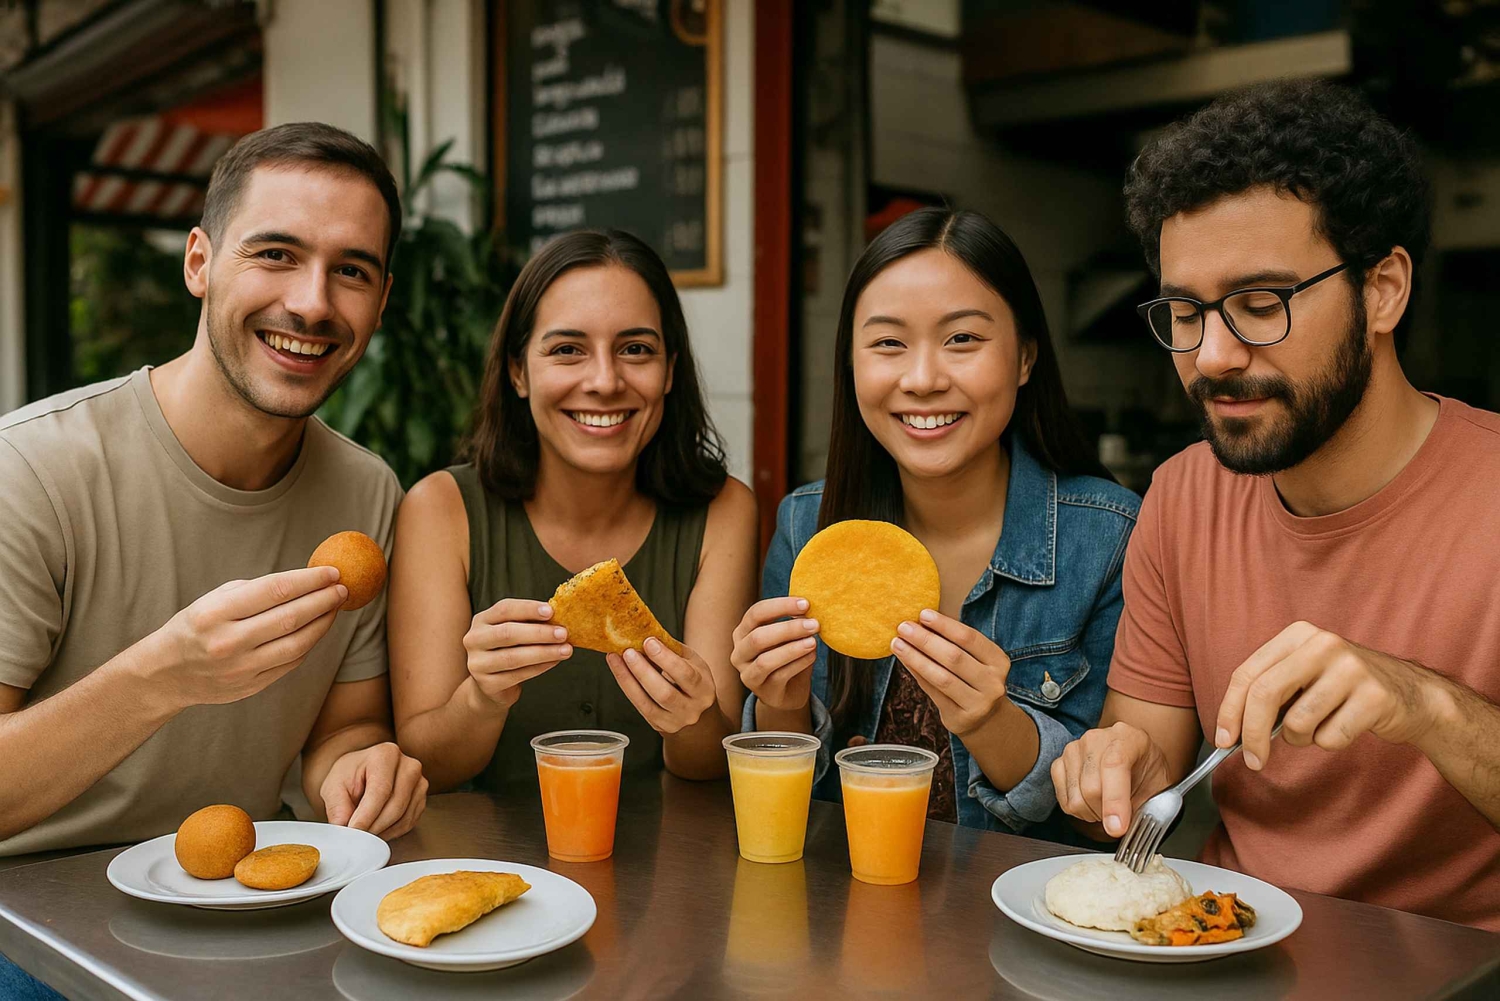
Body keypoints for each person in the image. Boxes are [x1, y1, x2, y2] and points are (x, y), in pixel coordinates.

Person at [1052, 80, 1500, 930]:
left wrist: (1425, 704)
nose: (1213, 355)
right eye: (1184, 312)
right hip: (1234, 949)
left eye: (1260, 306)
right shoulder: (1182, 497)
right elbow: (1146, 767)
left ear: (1384, 290)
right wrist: (1114, 771)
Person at [0, 123, 429, 996]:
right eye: (276, 253)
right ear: (199, 263)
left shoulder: (368, 493)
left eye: (351, 269)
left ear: (381, 302)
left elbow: (342, 726)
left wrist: (357, 765)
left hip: (250, 909)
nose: (312, 302)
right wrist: (164, 674)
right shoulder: (34, 469)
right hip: (27, 921)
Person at [731, 208, 1139, 837]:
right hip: (842, 910)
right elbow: (790, 807)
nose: (922, 380)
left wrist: (989, 721)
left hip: (1018, 916)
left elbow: (1103, 820)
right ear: (851, 363)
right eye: (888, 343)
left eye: (963, 340)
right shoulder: (806, 525)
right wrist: (780, 705)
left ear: (1026, 357)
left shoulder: (1109, 538)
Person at [389, 229, 758, 790]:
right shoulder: (440, 511)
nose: (605, 382)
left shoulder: (723, 511)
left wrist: (692, 718)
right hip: (490, 866)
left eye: (636, 349)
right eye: (567, 350)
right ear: (518, 371)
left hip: (669, 869)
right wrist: (482, 697)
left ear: (670, 372)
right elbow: (427, 767)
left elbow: (709, 767)